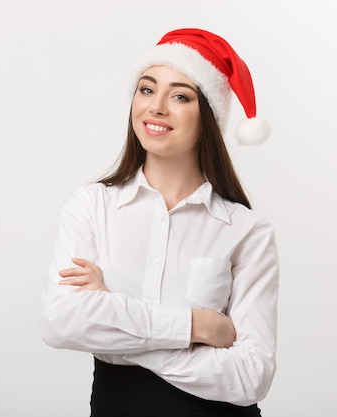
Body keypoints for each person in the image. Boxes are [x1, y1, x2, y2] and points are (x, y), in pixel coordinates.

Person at [40, 28, 279, 417]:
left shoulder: (247, 230)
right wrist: (196, 327)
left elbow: (252, 375)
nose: (156, 107)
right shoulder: (90, 206)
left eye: (180, 96)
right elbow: (60, 322)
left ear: (209, 114)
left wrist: (113, 320)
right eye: (147, 89)